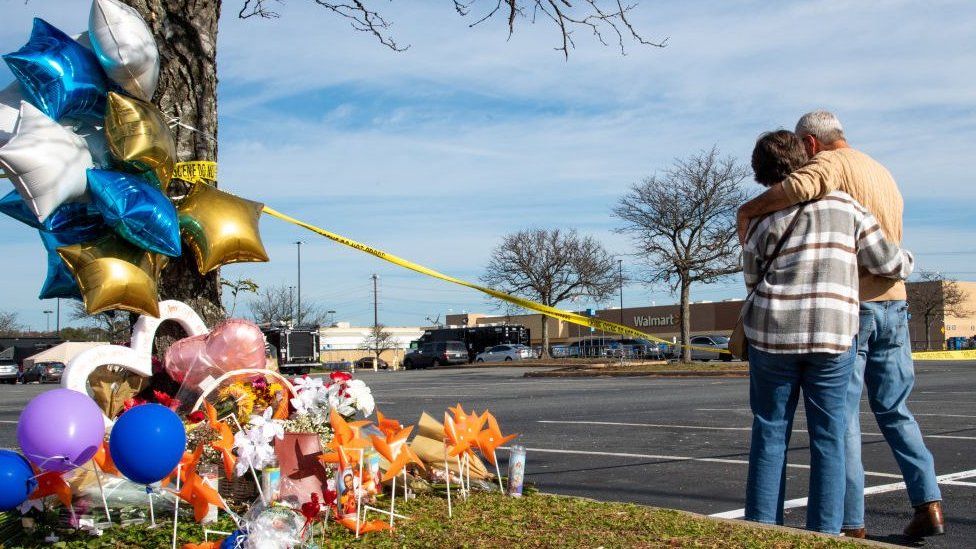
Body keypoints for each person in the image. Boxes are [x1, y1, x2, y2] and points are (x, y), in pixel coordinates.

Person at [737, 112, 944, 539]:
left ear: (811, 146)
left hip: (777, 334)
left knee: (773, 430)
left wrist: (751, 211)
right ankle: (835, 530)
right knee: (845, 428)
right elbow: (886, 258)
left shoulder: (770, 211)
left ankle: (767, 529)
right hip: (846, 324)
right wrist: (907, 261)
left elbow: (753, 275)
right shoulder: (863, 188)